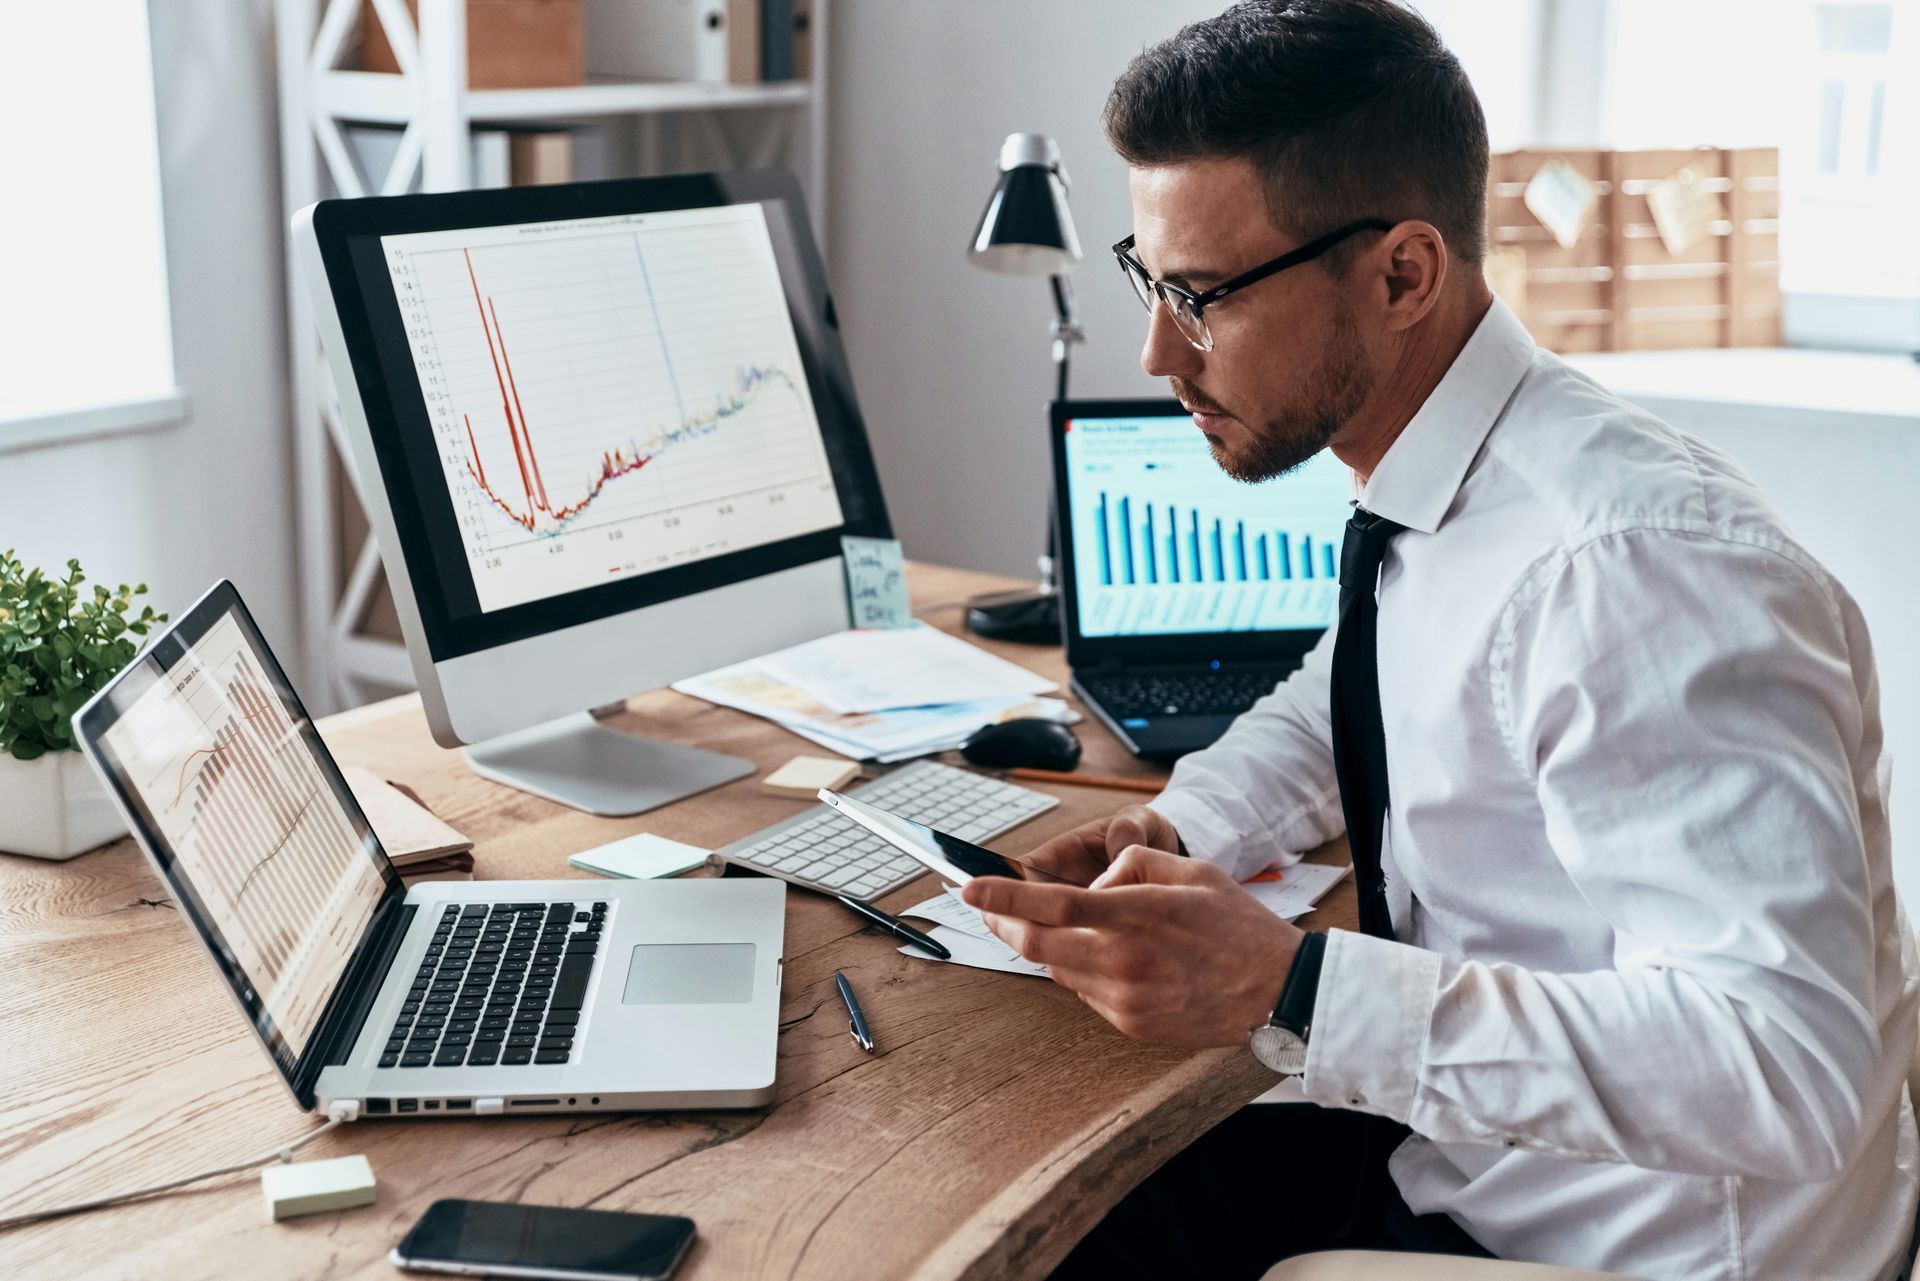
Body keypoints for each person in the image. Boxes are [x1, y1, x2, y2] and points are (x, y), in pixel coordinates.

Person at [958, 3, 1920, 1278]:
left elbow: (1786, 1068)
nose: (1155, 354)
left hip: (1631, 1247)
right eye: (1151, 279)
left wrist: (1291, 991)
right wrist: (1182, 828)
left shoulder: (1632, 570)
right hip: (1482, 1155)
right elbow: (1351, 693)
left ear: (1404, 274)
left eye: (1199, 299)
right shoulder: (1448, 481)